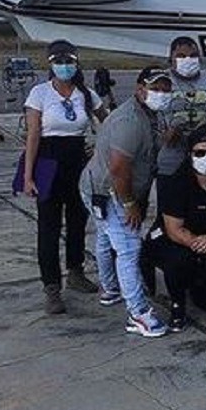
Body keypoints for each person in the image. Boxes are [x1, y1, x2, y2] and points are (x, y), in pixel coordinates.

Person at [79, 65, 173, 338]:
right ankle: (138, 312)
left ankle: (110, 289)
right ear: (140, 89)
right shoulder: (129, 122)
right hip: (109, 191)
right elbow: (119, 169)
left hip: (105, 186)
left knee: (107, 237)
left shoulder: (151, 114)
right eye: (155, 88)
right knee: (129, 247)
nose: (162, 94)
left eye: (166, 89)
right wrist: (130, 203)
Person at [22, 39, 108, 314]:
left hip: (76, 160)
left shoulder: (86, 94)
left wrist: (99, 147)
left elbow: (106, 121)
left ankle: (75, 271)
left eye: (69, 61)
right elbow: (33, 135)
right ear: (50, 64)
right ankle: (51, 286)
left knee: (77, 220)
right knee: (48, 226)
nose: (64, 66)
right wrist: (28, 175)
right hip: (47, 160)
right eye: (58, 61)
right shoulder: (40, 93)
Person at [142, 128, 206, 332]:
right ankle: (177, 306)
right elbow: (174, 230)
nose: (205, 157)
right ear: (190, 155)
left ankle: (202, 276)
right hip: (174, 239)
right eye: (199, 153)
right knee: (178, 261)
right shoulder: (176, 182)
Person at [157, 36, 206, 177]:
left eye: (193, 56)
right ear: (171, 59)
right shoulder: (161, 83)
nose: (188, 60)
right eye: (181, 56)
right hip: (171, 161)